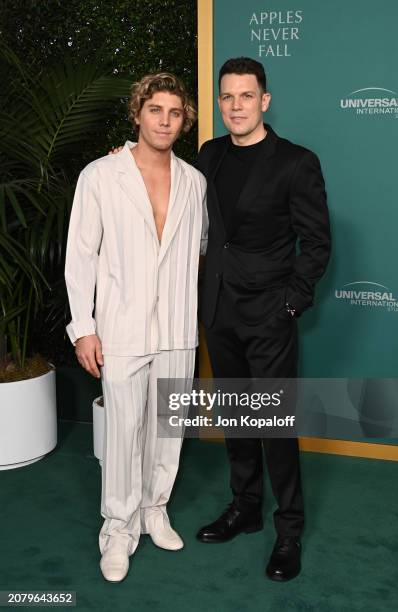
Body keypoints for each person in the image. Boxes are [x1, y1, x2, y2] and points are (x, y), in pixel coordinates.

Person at [64, 72, 207, 583]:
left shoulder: (195, 182)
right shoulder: (101, 175)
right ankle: (118, 530)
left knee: (168, 430)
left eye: (174, 112)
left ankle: (154, 511)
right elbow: (80, 255)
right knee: (124, 433)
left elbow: (200, 247)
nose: (164, 120)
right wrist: (83, 328)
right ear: (137, 114)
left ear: (184, 120)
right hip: (120, 328)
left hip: (177, 328)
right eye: (155, 110)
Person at [195, 57, 331, 582]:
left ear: (265, 101)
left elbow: (317, 242)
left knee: (273, 424)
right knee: (235, 416)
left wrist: (290, 303)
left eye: (245, 96)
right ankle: (245, 508)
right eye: (227, 97)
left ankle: (289, 530)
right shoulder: (208, 155)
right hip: (217, 309)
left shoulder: (297, 162)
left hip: (269, 314)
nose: (235, 106)